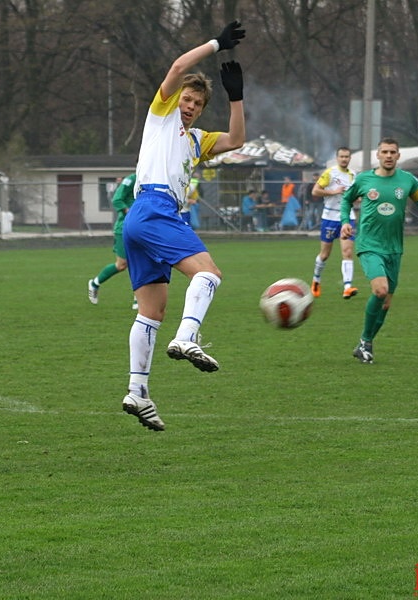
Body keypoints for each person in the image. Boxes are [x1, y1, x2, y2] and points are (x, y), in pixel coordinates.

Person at [120, 20, 247, 431]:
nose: (189, 105)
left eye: (196, 103)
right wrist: (215, 44)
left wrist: (236, 98)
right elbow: (176, 69)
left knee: (151, 310)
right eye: (187, 99)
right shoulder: (161, 117)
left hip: (142, 218)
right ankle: (188, 337)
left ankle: (137, 393)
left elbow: (236, 141)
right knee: (209, 273)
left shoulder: (195, 140)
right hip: (154, 208)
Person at [340, 137, 418, 364]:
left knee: (386, 302)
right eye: (385, 152)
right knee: (380, 290)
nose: (389, 156)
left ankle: (365, 343)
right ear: (378, 155)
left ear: (398, 156)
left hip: (394, 248)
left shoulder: (408, 180)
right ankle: (365, 343)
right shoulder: (364, 179)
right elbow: (346, 200)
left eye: (393, 152)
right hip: (370, 245)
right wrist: (346, 221)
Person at [311, 146, 358, 299]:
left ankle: (347, 287)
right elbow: (315, 191)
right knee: (325, 255)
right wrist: (334, 191)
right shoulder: (330, 173)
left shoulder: (353, 175)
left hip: (347, 217)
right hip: (330, 218)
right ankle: (316, 280)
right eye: (342, 156)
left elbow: (355, 197)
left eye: (347, 156)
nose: (344, 159)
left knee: (348, 252)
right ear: (337, 158)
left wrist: (361, 197)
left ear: (350, 158)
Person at [88, 172, 137, 309]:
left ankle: (138, 298)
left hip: (143, 228)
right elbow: (117, 199)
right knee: (122, 264)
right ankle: (95, 283)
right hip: (125, 228)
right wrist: (129, 211)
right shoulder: (131, 180)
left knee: (143, 261)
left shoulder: (153, 179)